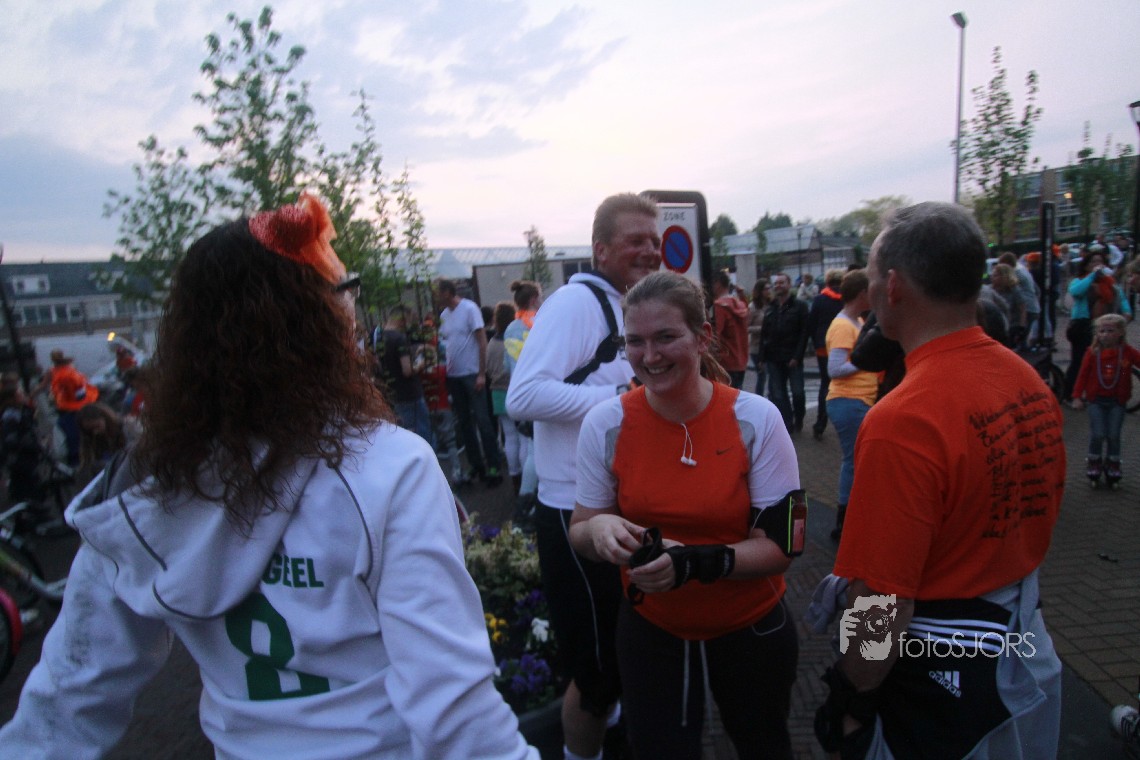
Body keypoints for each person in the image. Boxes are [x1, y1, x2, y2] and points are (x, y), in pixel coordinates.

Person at [0, 193, 538, 760]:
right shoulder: (387, 467)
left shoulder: (148, 486)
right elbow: (457, 714)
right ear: (315, 319)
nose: (352, 312)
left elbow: (67, 698)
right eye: (343, 292)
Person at [816, 202, 1066, 760]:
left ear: (893, 286)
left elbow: (881, 600)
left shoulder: (904, 420)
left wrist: (850, 699)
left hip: (943, 690)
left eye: (873, 276)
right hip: (1025, 657)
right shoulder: (1028, 381)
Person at [568, 271, 801, 759]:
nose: (649, 356)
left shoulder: (757, 419)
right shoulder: (606, 423)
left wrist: (694, 563)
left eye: (666, 337)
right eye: (635, 341)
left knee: (764, 746)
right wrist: (599, 527)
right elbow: (580, 532)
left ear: (703, 336)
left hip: (750, 625)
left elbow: (784, 547)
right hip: (653, 629)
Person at [507, 192, 661, 760]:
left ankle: (611, 737)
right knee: (595, 674)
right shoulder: (577, 303)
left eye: (654, 240)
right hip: (572, 510)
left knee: (621, 656)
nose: (649, 250)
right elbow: (523, 396)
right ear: (601, 250)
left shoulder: (629, 306)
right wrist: (620, 398)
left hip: (620, 507)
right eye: (634, 240)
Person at [823, 270, 877, 543]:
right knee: (854, 462)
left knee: (855, 461)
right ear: (862, 293)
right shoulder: (844, 325)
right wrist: (866, 360)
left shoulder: (856, 320)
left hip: (855, 400)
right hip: (849, 400)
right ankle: (845, 521)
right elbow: (835, 369)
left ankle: (848, 518)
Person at [437, 278, 504, 486]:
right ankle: (477, 464)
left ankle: (493, 465)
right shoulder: (443, 316)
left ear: (447, 292)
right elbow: (446, 343)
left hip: (472, 373)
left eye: (438, 293)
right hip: (454, 376)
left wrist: (481, 373)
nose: (436, 298)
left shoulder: (469, 309)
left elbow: (482, 341)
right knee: (465, 423)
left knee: (483, 421)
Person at [1070, 313, 1140, 488]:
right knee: (1098, 433)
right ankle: (1094, 461)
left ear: (1120, 333)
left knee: (1114, 434)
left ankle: (1113, 463)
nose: (1105, 335)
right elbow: (1083, 374)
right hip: (1096, 400)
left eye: (1110, 331)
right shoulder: (1093, 353)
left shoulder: (1126, 353)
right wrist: (1077, 396)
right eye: (1102, 331)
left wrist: (1124, 378)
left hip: (1117, 401)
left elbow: (1130, 367)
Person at [1063, 250, 1131, 402]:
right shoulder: (1080, 280)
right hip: (1082, 325)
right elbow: (1076, 292)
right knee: (1080, 360)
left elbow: (1121, 299)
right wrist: (1092, 275)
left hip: (1104, 325)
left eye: (1100, 261)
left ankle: (1101, 390)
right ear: (1086, 265)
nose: (1097, 264)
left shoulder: (1110, 283)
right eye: (1093, 261)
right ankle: (1071, 393)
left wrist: (1126, 314)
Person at [503, 280, 542, 520]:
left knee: (529, 448)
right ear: (534, 300)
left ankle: (526, 498)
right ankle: (528, 502)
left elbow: (508, 365)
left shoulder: (510, 328)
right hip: (539, 391)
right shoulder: (540, 323)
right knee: (537, 450)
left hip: (517, 392)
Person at [374, 304, 433, 446]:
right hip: (410, 394)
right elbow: (407, 370)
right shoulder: (399, 338)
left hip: (394, 393)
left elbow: (379, 366)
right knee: (423, 433)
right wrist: (422, 363)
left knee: (408, 433)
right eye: (409, 320)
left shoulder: (378, 338)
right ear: (402, 319)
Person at [761, 272, 810, 434]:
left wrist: (797, 356)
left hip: (792, 356)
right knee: (778, 394)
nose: (778, 286)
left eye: (781, 282)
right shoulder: (771, 308)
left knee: (798, 392)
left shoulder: (800, 306)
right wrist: (762, 357)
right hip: (774, 357)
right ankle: (788, 423)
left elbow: (804, 333)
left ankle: (799, 416)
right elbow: (764, 333)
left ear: (789, 285)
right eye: (776, 283)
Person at [487, 302, 523, 494]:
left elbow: (488, 369)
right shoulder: (514, 340)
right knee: (523, 438)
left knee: (509, 437)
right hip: (515, 391)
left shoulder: (491, 344)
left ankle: (514, 476)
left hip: (497, 393)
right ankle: (525, 479)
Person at [806, 269, 845, 439]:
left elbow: (811, 324)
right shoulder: (846, 299)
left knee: (825, 384)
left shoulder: (820, 300)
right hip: (843, 345)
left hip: (823, 347)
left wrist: (816, 342)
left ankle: (820, 423)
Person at [46, 348, 100, 466]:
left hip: (76, 462)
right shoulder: (72, 373)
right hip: (78, 408)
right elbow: (81, 392)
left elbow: (60, 452)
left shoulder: (54, 374)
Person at [75, 401, 141, 487]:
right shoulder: (93, 441)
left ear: (105, 419)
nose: (95, 432)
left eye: (97, 426)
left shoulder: (129, 428)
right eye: (90, 431)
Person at [711, 270, 749, 389]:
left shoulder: (719, 307)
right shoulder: (741, 304)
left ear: (717, 284)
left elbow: (715, 334)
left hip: (726, 361)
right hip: (741, 360)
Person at [747, 279, 772, 397]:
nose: (768, 291)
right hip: (756, 347)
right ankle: (759, 398)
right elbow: (746, 327)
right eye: (766, 289)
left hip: (770, 346)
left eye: (769, 288)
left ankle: (772, 397)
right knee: (762, 375)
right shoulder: (753, 307)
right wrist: (762, 329)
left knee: (772, 375)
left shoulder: (771, 305)